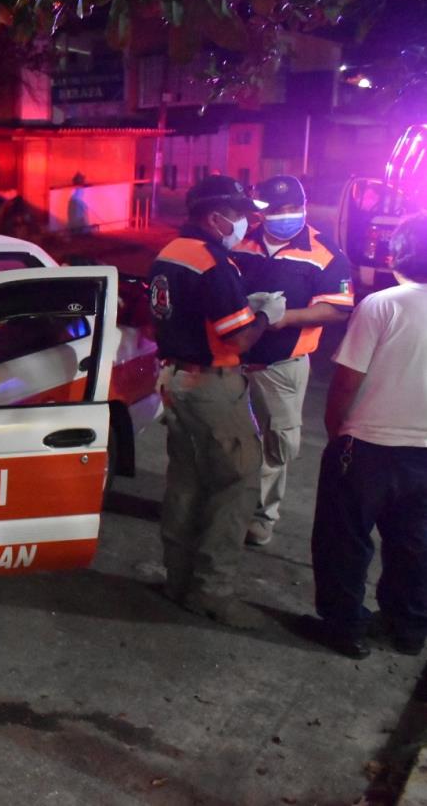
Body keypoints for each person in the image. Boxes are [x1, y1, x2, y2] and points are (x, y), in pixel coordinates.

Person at [148, 175, 283, 629]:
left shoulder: (170, 252)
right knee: (236, 484)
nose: (246, 222)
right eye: (240, 214)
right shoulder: (212, 262)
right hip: (211, 386)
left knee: (186, 481)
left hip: (175, 379)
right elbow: (239, 337)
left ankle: (177, 581)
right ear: (215, 217)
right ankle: (212, 593)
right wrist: (267, 314)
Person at [304, 214, 427, 660]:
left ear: (397, 254)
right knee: (415, 544)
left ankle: (345, 626)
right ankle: (409, 628)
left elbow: (346, 381)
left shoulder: (382, 305)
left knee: (345, 540)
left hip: (369, 446)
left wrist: (337, 433)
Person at [231, 175, 354, 547]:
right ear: (262, 212)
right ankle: (229, 507)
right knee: (230, 440)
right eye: (278, 210)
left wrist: (285, 318)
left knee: (277, 444)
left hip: (283, 366)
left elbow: (337, 311)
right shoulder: (241, 243)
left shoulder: (326, 252)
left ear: (304, 206)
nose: (287, 216)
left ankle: (261, 517)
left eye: (293, 209)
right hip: (231, 359)